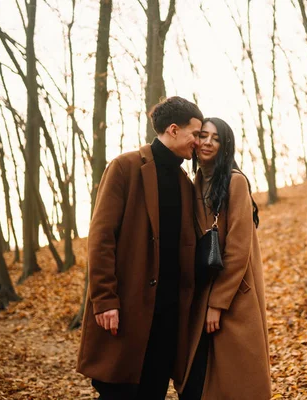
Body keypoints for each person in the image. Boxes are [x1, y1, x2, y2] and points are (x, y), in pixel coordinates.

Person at [76, 96, 203, 399]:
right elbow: (101, 236)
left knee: (153, 391)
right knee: (117, 391)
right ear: (173, 129)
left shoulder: (186, 183)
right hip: (127, 310)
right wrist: (105, 299)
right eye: (195, 134)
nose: (198, 142)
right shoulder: (125, 167)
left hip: (168, 318)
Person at [180, 117, 271, 399]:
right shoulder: (195, 182)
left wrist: (217, 305)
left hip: (234, 297)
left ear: (225, 145)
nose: (207, 142)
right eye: (203, 136)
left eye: (215, 138)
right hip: (201, 294)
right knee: (196, 380)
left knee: (235, 381)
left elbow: (238, 249)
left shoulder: (235, 182)